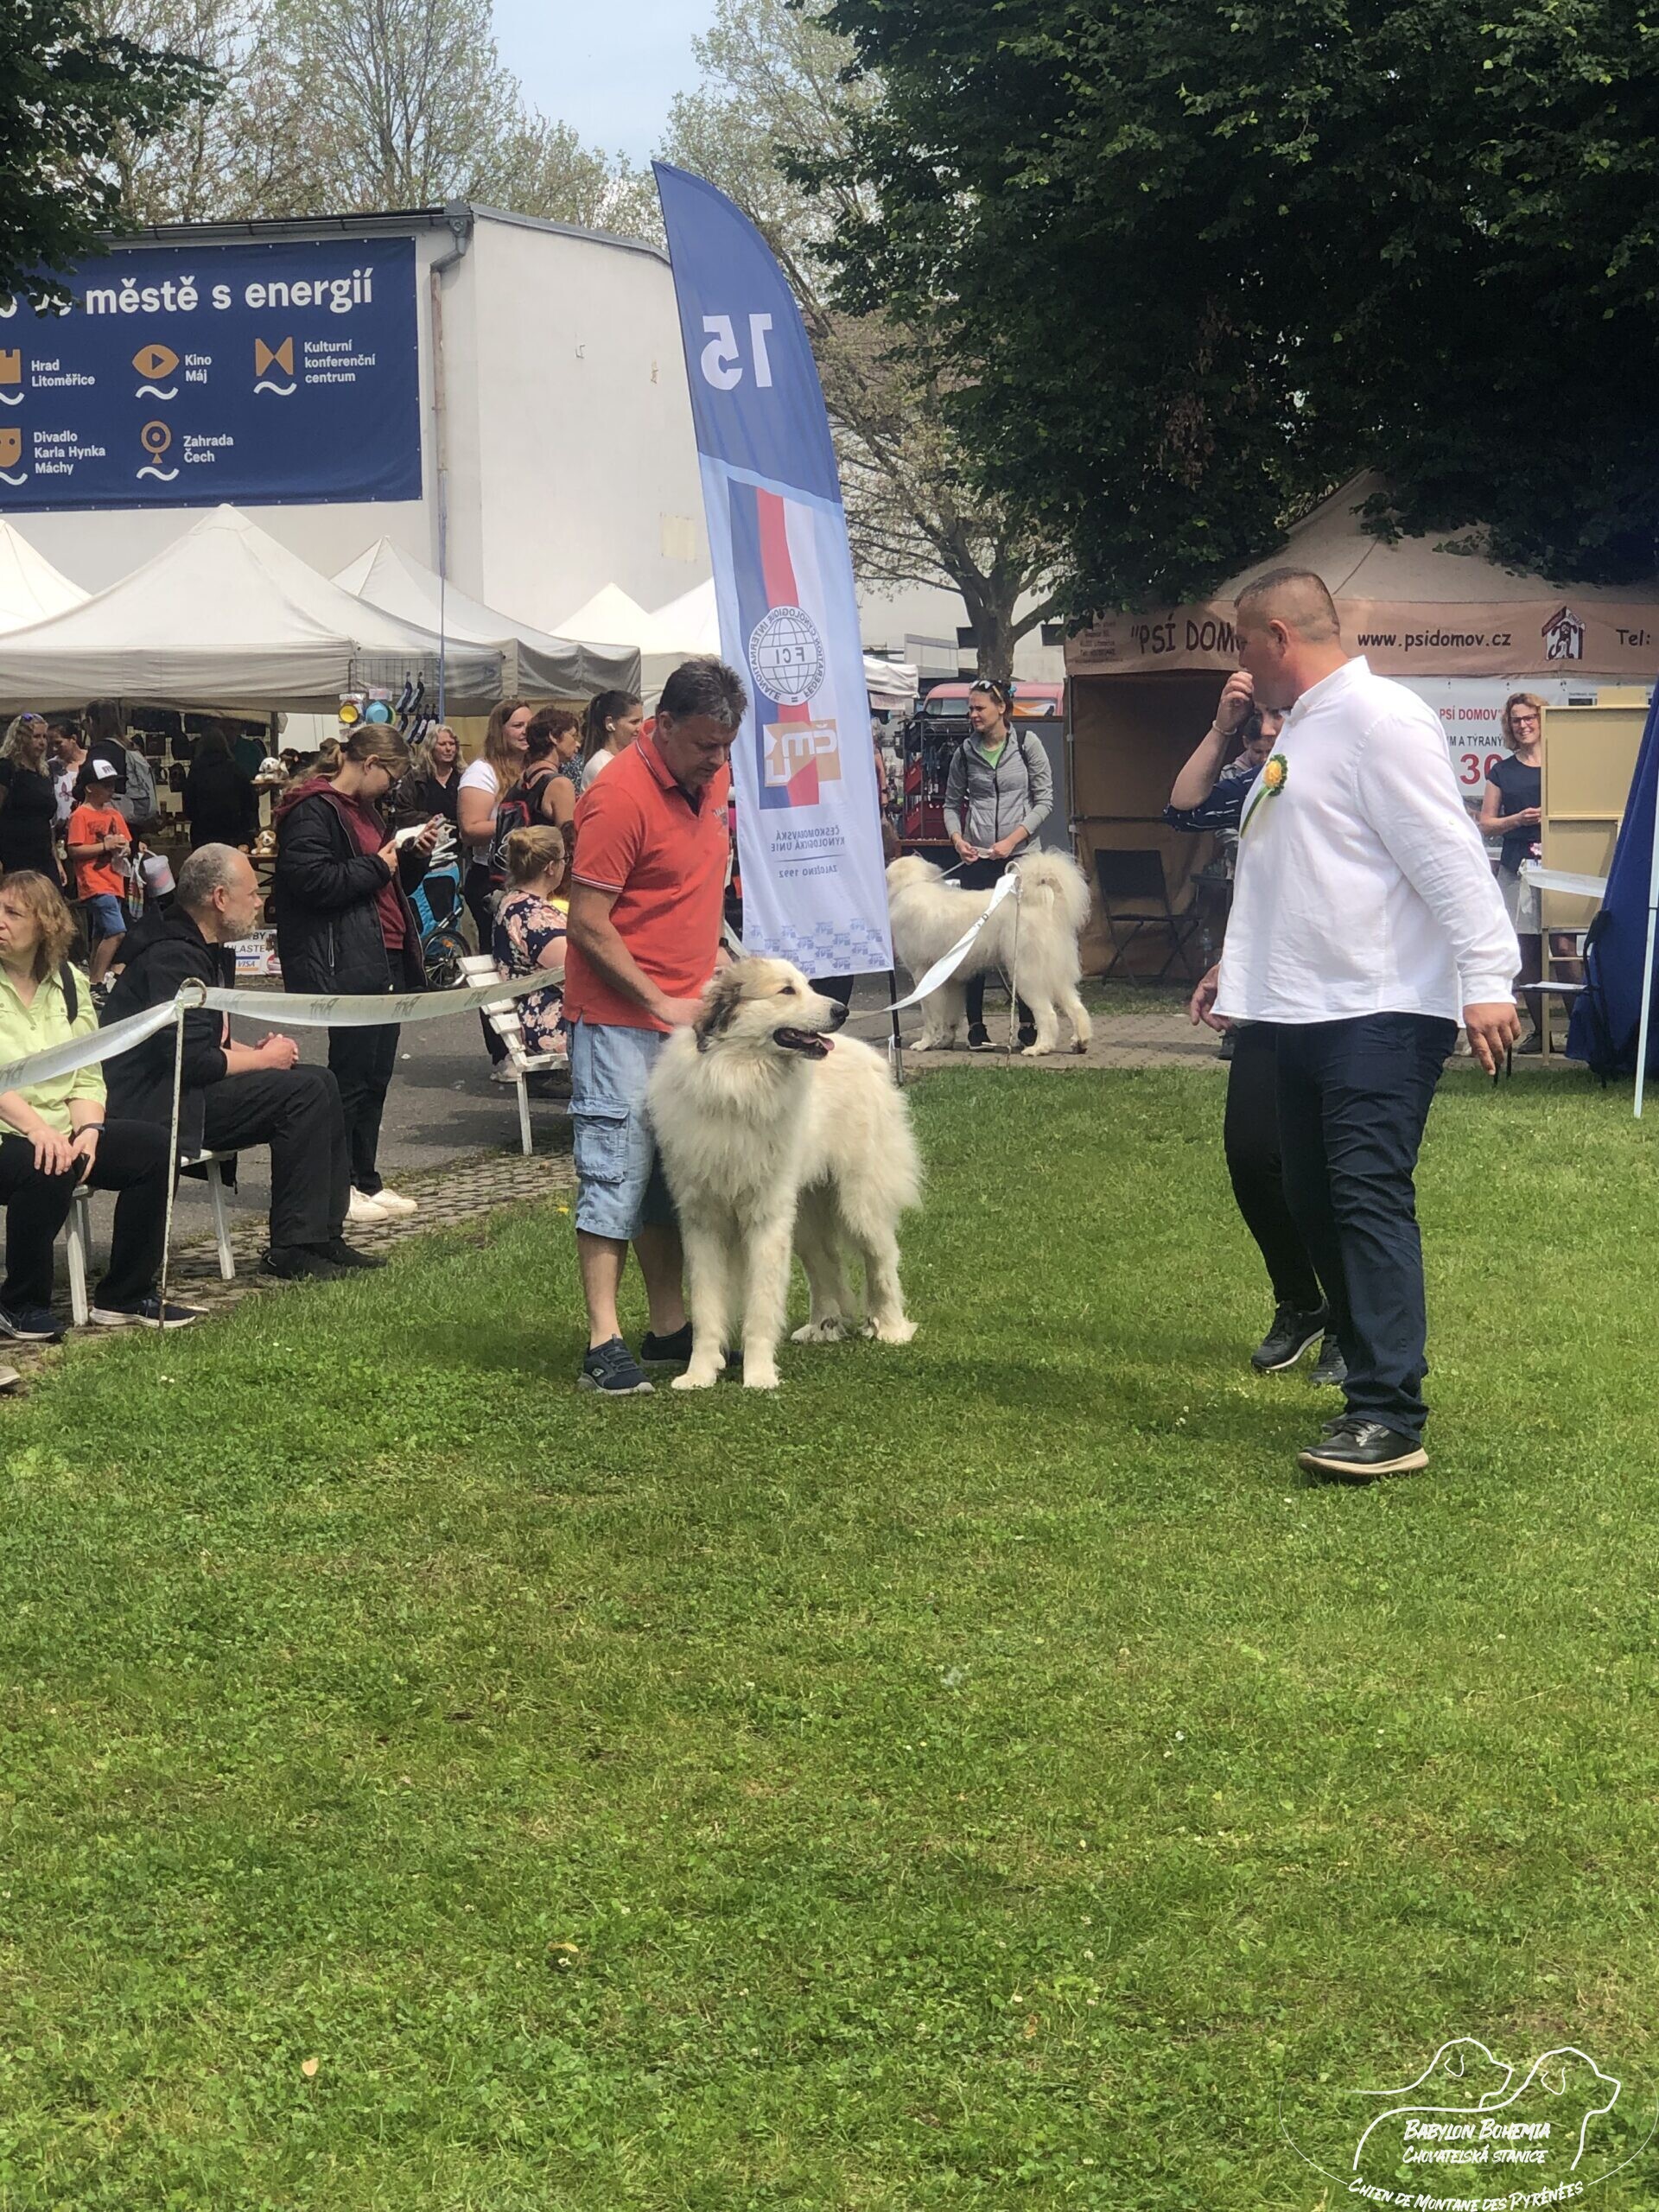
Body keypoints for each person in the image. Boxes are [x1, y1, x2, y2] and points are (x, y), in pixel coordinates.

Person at [1198, 569, 1520, 1482]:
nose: (1239, 661)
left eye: (1242, 642)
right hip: (1302, 1007)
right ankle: (1368, 1377)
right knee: (1311, 1198)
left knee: (1365, 1197)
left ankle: (1388, 1413)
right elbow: (1297, 864)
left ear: (1278, 636)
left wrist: (1487, 978)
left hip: (1380, 1008)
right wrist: (1237, 965)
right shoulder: (1305, 727)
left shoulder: (1382, 720)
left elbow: (1449, 854)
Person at [563, 657, 746, 1395]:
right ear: (661, 726)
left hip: (686, 1020)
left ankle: (669, 1327)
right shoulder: (617, 796)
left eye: (727, 745)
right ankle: (601, 1343)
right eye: (705, 744)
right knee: (615, 1169)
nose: (718, 761)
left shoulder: (710, 779)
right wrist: (660, 1000)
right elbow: (588, 923)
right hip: (618, 1022)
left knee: (671, 1178)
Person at [1166, 677, 1342, 1387]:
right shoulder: (1261, 783)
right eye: (1257, 720)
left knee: (1330, 1170)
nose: (1266, 730)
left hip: (1346, 997)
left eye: (1277, 715)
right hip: (1268, 994)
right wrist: (1220, 727)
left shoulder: (1338, 769)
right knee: (1250, 1155)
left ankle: (1352, 1323)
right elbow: (1183, 809)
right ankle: (1302, 1301)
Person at [103, 844, 383, 1283]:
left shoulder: (201, 948)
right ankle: (292, 1247)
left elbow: (206, 1039)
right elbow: (190, 1059)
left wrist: (256, 1054)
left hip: (187, 1085)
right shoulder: (172, 954)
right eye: (251, 894)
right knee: (303, 1093)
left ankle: (323, 1235)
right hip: (157, 1100)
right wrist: (262, 1060)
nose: (258, 903)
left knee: (321, 1080)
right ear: (219, 898)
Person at [0, 869, 205, 1338]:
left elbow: (88, 1073)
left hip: (62, 1125)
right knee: (46, 1163)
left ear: (45, 925)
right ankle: (20, 1302)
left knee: (156, 1148)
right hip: (10, 1132)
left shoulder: (71, 982)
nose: (0, 922)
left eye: (12, 913)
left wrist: (90, 1131)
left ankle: (126, 1295)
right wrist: (39, 1131)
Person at [273, 728, 439, 1225]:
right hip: (347, 956)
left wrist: (412, 856)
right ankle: (338, 1184)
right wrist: (376, 865)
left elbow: (387, 880)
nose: (392, 787)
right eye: (391, 775)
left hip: (385, 950)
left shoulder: (367, 811)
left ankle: (366, 1177)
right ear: (369, 764)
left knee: (376, 1074)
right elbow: (310, 882)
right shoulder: (313, 809)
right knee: (350, 1075)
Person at [943, 677, 1054, 1049]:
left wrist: (1012, 840)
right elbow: (951, 803)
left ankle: (1029, 1023)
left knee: (1021, 944)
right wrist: (958, 839)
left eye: (980, 708)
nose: (973, 715)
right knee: (975, 944)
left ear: (1001, 708)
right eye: (970, 709)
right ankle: (976, 1026)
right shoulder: (964, 752)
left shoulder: (1026, 744)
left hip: (1019, 861)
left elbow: (1045, 801)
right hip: (978, 860)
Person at [1479, 692, 1575, 1052]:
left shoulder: (1565, 763)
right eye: (1516, 720)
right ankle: (1542, 1033)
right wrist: (1517, 819)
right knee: (1527, 951)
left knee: (1564, 947)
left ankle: (1581, 1030)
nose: (1523, 725)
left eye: (1529, 718)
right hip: (1518, 868)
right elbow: (1487, 824)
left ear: (1542, 719)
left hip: (1563, 865)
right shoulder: (1502, 771)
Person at [492, 824, 568, 1077]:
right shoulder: (532, 915)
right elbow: (577, 967)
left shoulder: (515, 902)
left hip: (538, 1010)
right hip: (549, 1019)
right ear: (551, 867)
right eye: (565, 859)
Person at [65, 758, 131, 988]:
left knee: (100, 933)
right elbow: (74, 850)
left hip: (114, 881)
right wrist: (105, 846)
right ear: (89, 787)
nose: (111, 790)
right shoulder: (80, 815)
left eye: (113, 784)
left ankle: (92, 979)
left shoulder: (114, 814)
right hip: (94, 882)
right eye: (106, 785)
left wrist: (125, 848)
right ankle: (97, 981)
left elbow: (126, 842)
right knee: (116, 931)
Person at [0, 716, 66, 883]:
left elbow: (47, 822)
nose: (42, 742)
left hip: (44, 856)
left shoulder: (44, 773)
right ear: (21, 739)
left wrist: (57, 860)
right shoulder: (6, 768)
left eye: (44, 737)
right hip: (13, 856)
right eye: (36, 737)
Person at [181, 724, 260, 851]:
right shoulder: (236, 770)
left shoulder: (195, 772)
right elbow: (250, 802)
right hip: (232, 832)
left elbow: (188, 808)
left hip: (202, 833)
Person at [578, 690, 645, 790]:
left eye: (641, 721)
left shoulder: (631, 760)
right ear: (610, 723)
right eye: (634, 722)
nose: (640, 728)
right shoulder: (601, 765)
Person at [397, 725, 461, 825]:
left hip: (458, 833)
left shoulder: (464, 777)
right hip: (424, 832)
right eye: (442, 744)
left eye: (452, 744)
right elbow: (402, 812)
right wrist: (429, 820)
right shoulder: (415, 778)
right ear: (431, 747)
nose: (448, 748)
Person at [49, 721, 86, 828]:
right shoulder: (51, 767)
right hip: (62, 828)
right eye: (51, 744)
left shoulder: (92, 760)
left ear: (73, 739)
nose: (54, 749)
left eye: (58, 743)